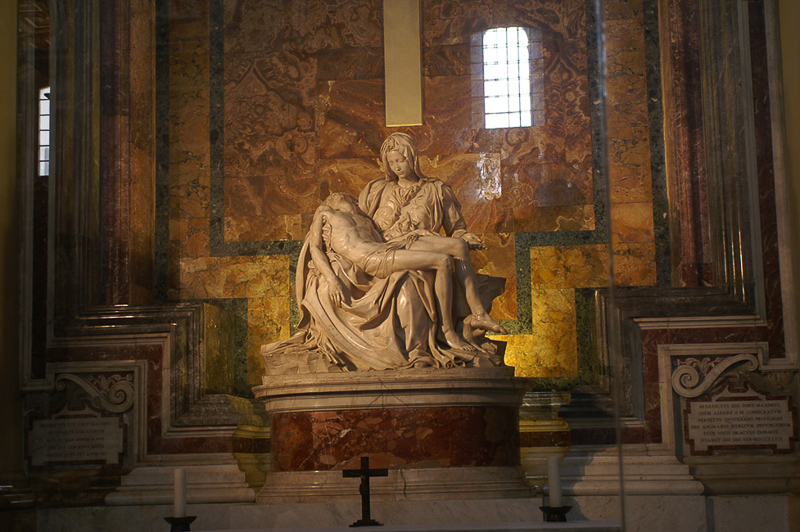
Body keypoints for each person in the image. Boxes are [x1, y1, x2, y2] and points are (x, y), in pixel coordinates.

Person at [359, 132, 506, 335]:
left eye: (400, 161)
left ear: (412, 158)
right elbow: (357, 223)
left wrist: (464, 235)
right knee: (451, 250)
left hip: (419, 247)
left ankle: (477, 313)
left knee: (458, 245)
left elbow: (455, 228)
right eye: (391, 163)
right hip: (384, 249)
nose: (396, 167)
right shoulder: (376, 190)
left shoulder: (437, 189)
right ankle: (467, 319)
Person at [307, 193, 475, 351]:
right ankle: (446, 331)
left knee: (452, 250)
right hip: (371, 260)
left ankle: (469, 316)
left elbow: (383, 243)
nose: (354, 202)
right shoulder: (325, 212)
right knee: (442, 261)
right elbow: (314, 248)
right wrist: (332, 280)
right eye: (347, 198)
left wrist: (414, 234)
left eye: (354, 201)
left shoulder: (365, 221)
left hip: (383, 252)